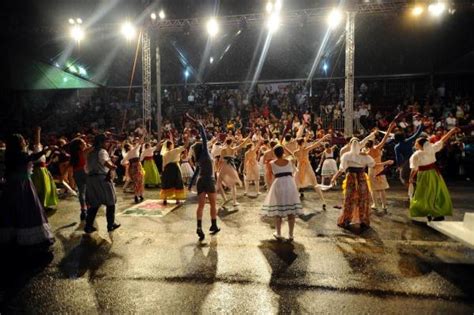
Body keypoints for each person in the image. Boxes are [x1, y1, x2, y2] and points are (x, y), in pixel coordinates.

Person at [0, 134, 55, 247]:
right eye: (22, 141)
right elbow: (32, 158)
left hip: (10, 185)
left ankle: (13, 234)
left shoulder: (8, 154)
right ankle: (27, 236)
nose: (24, 142)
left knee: (13, 209)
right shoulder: (21, 155)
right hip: (23, 184)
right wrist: (45, 150)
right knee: (27, 208)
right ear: (19, 143)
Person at [331, 138, 394, 231]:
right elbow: (374, 165)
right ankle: (363, 220)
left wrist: (334, 177)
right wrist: (386, 162)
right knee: (363, 198)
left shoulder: (346, 155)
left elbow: (341, 169)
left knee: (349, 198)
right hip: (361, 178)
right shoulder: (364, 156)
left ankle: (346, 219)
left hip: (351, 178)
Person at [408, 128, 459, 221]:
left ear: (420, 145)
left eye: (416, 143)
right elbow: (443, 140)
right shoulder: (431, 149)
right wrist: (451, 131)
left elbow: (414, 168)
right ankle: (436, 212)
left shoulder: (416, 155)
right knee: (435, 192)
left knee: (424, 193)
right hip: (434, 173)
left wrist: (411, 178)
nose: (415, 144)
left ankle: (428, 210)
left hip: (424, 175)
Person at [187, 114, 220, 241]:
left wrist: (190, 185)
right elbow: (205, 138)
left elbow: (195, 173)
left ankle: (199, 226)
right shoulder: (206, 153)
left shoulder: (198, 159)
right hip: (209, 180)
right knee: (212, 204)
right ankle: (213, 225)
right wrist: (199, 124)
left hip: (200, 180)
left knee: (200, 206)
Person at [261, 145, 302, 242]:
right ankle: (291, 235)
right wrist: (285, 147)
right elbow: (293, 155)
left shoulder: (271, 163)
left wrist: (269, 187)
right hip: (290, 183)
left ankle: (278, 233)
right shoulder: (290, 161)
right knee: (291, 210)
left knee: (278, 209)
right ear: (283, 152)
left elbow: (268, 177)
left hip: (278, 183)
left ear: (274, 153)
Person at [84, 134, 120, 233]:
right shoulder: (102, 151)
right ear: (102, 142)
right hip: (101, 178)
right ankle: (111, 224)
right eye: (106, 142)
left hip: (91, 179)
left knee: (94, 204)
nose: (108, 144)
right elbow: (106, 163)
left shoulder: (91, 153)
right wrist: (113, 165)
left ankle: (88, 226)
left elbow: (87, 168)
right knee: (110, 201)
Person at [365, 122, 396, 211]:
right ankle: (384, 205)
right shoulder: (377, 148)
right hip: (380, 170)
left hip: (372, 170)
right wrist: (390, 128)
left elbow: (372, 165)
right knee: (382, 189)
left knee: (373, 189)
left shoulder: (367, 153)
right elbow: (385, 138)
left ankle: (375, 204)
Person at [294, 135, 330, 209]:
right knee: (315, 184)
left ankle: (294, 203)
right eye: (304, 142)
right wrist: (323, 137)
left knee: (297, 185)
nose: (305, 144)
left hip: (299, 168)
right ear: (302, 143)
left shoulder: (296, 152)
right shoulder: (306, 149)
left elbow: (294, 160)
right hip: (307, 167)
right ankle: (323, 201)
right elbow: (316, 144)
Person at [30, 127, 58, 210]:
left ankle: (44, 205)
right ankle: (41, 206)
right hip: (39, 171)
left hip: (43, 170)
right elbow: (37, 143)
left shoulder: (40, 151)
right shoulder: (36, 149)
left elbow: (45, 161)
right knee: (41, 189)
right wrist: (38, 132)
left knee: (46, 188)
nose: (40, 144)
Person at [217, 135, 250, 206]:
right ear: (231, 143)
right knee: (233, 185)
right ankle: (234, 202)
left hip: (224, 167)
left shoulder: (223, 150)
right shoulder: (232, 149)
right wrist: (248, 137)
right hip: (231, 167)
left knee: (219, 183)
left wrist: (218, 168)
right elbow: (242, 145)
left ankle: (225, 199)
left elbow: (220, 160)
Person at [69, 137, 91, 221]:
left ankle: (83, 210)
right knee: (88, 191)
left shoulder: (73, 155)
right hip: (84, 171)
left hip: (76, 173)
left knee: (81, 192)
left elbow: (69, 167)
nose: (85, 143)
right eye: (83, 142)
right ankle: (89, 208)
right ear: (79, 145)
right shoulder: (83, 152)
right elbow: (95, 147)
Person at [160, 137, 186, 205]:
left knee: (167, 183)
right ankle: (177, 200)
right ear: (170, 145)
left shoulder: (165, 154)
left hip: (167, 169)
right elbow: (185, 146)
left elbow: (163, 165)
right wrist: (187, 137)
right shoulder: (174, 151)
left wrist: (164, 172)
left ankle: (165, 199)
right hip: (175, 168)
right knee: (177, 183)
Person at [123, 138, 145, 204]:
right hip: (137, 167)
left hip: (131, 168)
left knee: (136, 182)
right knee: (140, 182)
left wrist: (128, 163)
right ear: (129, 147)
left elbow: (122, 162)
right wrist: (143, 135)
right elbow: (140, 143)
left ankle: (139, 195)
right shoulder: (134, 150)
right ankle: (137, 195)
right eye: (130, 145)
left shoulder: (127, 154)